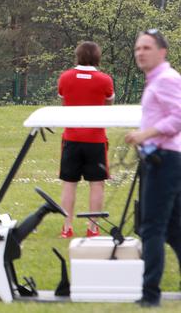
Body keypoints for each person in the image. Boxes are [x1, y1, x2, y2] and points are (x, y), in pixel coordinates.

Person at [125, 29, 181, 308]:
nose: (140, 52)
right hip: (162, 157)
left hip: (164, 160)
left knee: (152, 228)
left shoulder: (168, 79)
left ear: (162, 52)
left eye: (146, 47)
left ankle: (150, 296)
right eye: (138, 48)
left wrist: (145, 135)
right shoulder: (155, 81)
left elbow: (179, 117)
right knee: (173, 229)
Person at [57, 41, 114, 239]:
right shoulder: (105, 80)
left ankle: (66, 227)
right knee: (97, 184)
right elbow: (109, 101)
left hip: (71, 137)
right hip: (96, 139)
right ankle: (93, 228)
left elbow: (63, 99)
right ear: (97, 57)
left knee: (69, 184)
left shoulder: (65, 77)